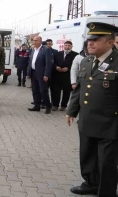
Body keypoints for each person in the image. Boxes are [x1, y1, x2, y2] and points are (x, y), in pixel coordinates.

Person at [66, 22, 118, 197]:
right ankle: (91, 183)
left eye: (96, 40)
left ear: (110, 43)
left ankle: (106, 191)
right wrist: (71, 111)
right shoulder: (87, 61)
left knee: (107, 161)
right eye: (89, 40)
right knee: (87, 156)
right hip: (87, 119)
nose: (90, 43)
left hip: (110, 122)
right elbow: (79, 89)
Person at [27, 36, 52, 114]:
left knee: (43, 90)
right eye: (33, 40)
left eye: (36, 40)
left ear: (40, 41)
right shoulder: (32, 50)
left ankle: (48, 106)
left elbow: (48, 63)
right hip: (33, 72)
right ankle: (37, 106)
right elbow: (30, 62)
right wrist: (28, 72)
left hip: (42, 74)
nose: (34, 42)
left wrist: (46, 75)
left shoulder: (46, 49)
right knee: (35, 90)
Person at [51, 41, 78, 111]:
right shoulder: (58, 54)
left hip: (67, 76)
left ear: (71, 46)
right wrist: (56, 67)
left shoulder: (75, 55)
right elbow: (53, 62)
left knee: (66, 91)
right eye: (65, 45)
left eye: (69, 45)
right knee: (56, 91)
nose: (67, 47)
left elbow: (76, 65)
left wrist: (68, 68)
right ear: (63, 46)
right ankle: (55, 104)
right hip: (57, 75)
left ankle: (63, 105)